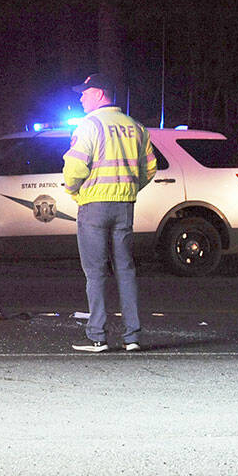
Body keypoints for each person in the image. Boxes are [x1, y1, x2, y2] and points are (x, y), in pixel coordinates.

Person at [63, 73, 157, 352]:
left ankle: (97, 336)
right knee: (126, 270)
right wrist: (129, 189)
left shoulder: (89, 125)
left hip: (93, 206)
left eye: (84, 92)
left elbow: (75, 168)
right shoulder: (136, 127)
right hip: (124, 206)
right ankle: (132, 337)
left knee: (95, 273)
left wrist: (74, 191)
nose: (80, 97)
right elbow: (150, 168)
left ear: (100, 94)